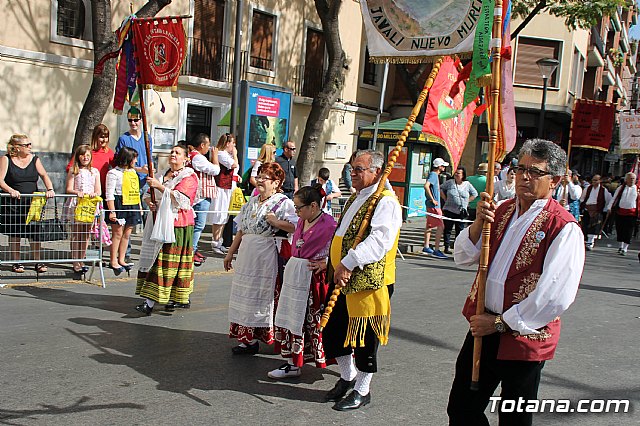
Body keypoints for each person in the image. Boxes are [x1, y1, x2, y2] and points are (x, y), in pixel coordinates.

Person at [447, 138, 585, 426]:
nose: (524, 176)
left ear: (555, 181)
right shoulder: (502, 210)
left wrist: (500, 323)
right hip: (482, 327)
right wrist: (477, 224)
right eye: (520, 168)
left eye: (535, 172)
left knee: (514, 417)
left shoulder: (563, 227)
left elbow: (555, 296)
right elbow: (463, 257)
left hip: (524, 335)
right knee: (462, 408)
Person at [321, 149, 401, 411]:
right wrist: (331, 261)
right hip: (341, 275)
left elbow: (380, 241)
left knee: (365, 338)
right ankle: (347, 377)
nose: (351, 173)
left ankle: (363, 389)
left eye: (358, 169)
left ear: (376, 172)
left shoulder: (385, 201)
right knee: (334, 330)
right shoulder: (357, 197)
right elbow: (342, 234)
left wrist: (348, 262)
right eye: (351, 168)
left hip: (368, 282)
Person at [224, 162, 297, 355]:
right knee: (246, 295)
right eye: (259, 176)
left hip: (267, 256)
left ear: (276, 182)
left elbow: (296, 227)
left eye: (265, 177)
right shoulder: (251, 202)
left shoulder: (283, 202)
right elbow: (241, 229)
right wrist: (231, 252)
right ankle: (247, 340)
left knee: (263, 296)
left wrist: (276, 221)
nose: (260, 180)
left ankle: (269, 337)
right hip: (247, 256)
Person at [269, 184, 337, 379]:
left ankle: (338, 363)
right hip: (294, 275)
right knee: (291, 318)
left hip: (313, 280)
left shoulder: (329, 224)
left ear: (313, 206)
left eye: (299, 207)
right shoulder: (301, 221)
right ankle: (293, 363)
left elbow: (341, 248)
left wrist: (326, 263)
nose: (296, 211)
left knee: (312, 322)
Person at [135, 144, 199, 315]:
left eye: (177, 153)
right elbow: (148, 194)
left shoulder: (189, 177)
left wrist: (160, 186)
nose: (173, 154)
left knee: (165, 263)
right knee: (156, 260)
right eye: (171, 152)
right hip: (158, 221)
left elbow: (182, 199)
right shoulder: (163, 174)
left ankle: (152, 302)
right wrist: (150, 202)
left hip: (177, 224)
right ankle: (170, 297)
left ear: (186, 158)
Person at [0, 134, 56, 273]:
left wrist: (50, 189)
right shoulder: (6, 159)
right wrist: (10, 190)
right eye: (27, 145)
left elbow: (44, 175)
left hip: (32, 203)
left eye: (30, 144)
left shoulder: (34, 159)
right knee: (15, 232)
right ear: (17, 148)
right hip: (13, 203)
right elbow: (0, 180)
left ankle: (37, 261)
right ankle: (16, 262)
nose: (30, 147)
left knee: (34, 231)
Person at [64, 145, 100, 275]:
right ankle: (75, 259)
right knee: (76, 233)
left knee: (85, 234)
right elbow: (68, 188)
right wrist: (76, 192)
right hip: (77, 204)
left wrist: (94, 194)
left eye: (88, 156)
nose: (85, 158)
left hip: (89, 205)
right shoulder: (74, 170)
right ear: (78, 156)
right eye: (83, 155)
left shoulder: (94, 171)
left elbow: (98, 190)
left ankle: (82, 258)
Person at [105, 147, 142, 275]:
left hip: (132, 203)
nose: (136, 160)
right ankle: (113, 260)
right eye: (134, 158)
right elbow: (109, 194)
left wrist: (139, 206)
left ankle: (122, 258)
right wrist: (112, 210)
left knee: (127, 234)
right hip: (119, 202)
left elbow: (136, 190)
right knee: (118, 233)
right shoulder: (113, 173)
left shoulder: (132, 172)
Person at [188, 134, 220, 266]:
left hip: (200, 196)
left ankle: (193, 249)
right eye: (207, 145)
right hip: (200, 196)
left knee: (196, 226)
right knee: (198, 226)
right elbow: (215, 170)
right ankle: (191, 251)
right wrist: (215, 158)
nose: (208, 148)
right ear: (202, 145)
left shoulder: (195, 156)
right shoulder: (198, 158)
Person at [209, 133, 239, 254]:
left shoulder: (226, 154)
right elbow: (234, 164)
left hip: (228, 187)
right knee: (219, 214)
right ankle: (215, 241)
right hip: (221, 187)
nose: (234, 146)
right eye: (233, 143)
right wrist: (235, 155)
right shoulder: (221, 154)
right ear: (227, 143)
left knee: (224, 215)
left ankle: (219, 241)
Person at [65, 124, 114, 197]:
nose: (104, 140)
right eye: (102, 137)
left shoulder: (109, 152)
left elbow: (116, 168)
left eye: (106, 137)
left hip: (102, 190)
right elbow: (70, 167)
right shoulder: (86, 152)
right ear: (95, 137)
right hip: (85, 191)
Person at [440, 166, 477, 254]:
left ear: (463, 175)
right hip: (449, 209)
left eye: (458, 173)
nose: (456, 175)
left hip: (461, 211)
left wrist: (467, 202)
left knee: (459, 230)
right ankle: (446, 246)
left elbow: (475, 193)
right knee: (447, 229)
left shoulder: (467, 184)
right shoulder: (450, 183)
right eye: (456, 173)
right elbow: (440, 188)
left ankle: (457, 247)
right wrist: (445, 198)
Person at [115, 107, 153, 189]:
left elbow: (150, 157)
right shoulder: (123, 139)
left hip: (146, 181)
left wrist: (151, 168)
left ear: (141, 121)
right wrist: (139, 169)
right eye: (130, 120)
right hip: (130, 180)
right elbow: (120, 163)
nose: (133, 123)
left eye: (136, 120)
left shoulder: (147, 138)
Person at [607, 172, 639, 256]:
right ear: (626, 179)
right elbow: (614, 198)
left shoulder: (637, 189)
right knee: (620, 229)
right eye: (630, 178)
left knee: (628, 231)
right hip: (620, 212)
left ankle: (625, 248)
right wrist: (609, 207)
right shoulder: (621, 188)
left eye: (633, 178)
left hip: (631, 213)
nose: (632, 180)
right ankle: (620, 246)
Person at [422, 157, 448, 259]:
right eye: (443, 166)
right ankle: (436, 249)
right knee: (440, 226)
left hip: (432, 204)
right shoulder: (433, 175)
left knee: (429, 225)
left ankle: (426, 246)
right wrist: (432, 199)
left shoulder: (435, 175)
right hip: (434, 205)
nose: (444, 168)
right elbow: (426, 186)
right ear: (439, 167)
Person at [579, 174, 612, 251]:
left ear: (600, 181)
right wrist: (584, 206)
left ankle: (590, 242)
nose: (594, 182)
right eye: (593, 180)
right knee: (586, 226)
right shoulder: (587, 189)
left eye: (596, 180)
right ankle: (585, 241)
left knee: (594, 227)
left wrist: (604, 209)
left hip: (597, 210)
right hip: (587, 210)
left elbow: (608, 200)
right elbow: (582, 198)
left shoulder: (604, 190)